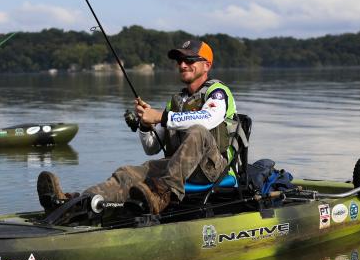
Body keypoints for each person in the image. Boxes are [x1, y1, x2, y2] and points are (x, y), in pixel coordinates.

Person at [37, 40, 237, 215]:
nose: (183, 65)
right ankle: (75, 204)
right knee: (128, 173)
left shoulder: (217, 92)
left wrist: (160, 116)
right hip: (178, 169)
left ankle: (162, 195)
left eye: (190, 60)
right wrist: (145, 125)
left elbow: (208, 119)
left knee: (197, 131)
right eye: (180, 61)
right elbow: (151, 147)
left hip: (213, 170)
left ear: (207, 65)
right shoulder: (177, 102)